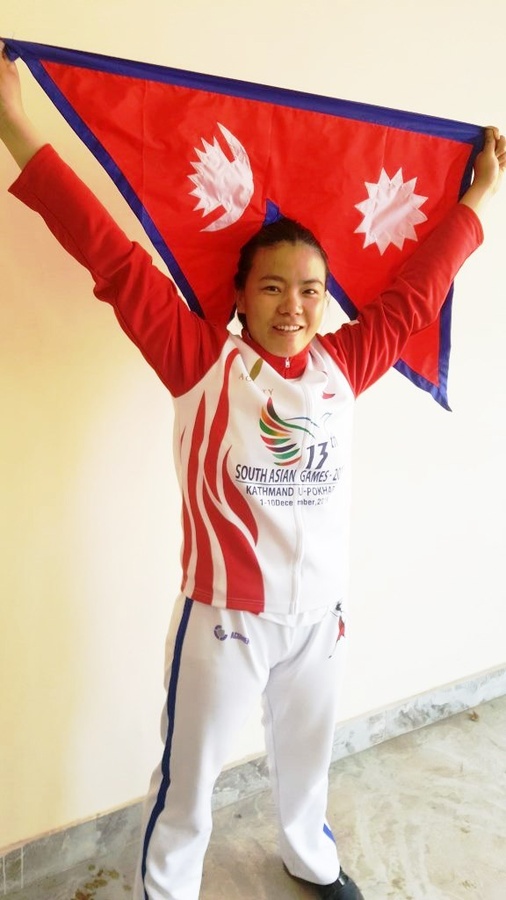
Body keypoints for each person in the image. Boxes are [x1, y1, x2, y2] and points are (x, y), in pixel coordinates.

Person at [0, 43, 504, 900]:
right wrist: (15, 125)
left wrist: (478, 196)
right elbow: (112, 258)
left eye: (311, 289)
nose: (294, 306)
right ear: (239, 298)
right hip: (223, 624)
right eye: (272, 288)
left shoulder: (346, 364)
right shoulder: (198, 359)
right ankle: (169, 888)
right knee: (188, 786)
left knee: (307, 767)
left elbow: (416, 295)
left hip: (320, 622)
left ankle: (309, 857)